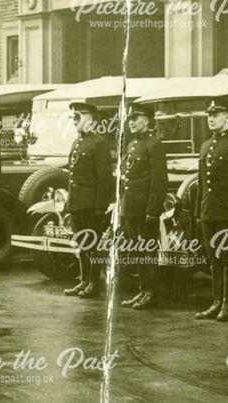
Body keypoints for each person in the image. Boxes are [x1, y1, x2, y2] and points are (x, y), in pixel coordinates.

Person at [193, 98, 228, 322]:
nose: (211, 118)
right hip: (209, 213)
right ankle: (216, 302)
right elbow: (201, 182)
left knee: (227, 259)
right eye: (209, 114)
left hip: (227, 214)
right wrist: (199, 212)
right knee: (213, 258)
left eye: (216, 114)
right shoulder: (206, 146)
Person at [118, 103, 167, 310]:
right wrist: (122, 208)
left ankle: (151, 293)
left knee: (147, 252)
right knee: (137, 252)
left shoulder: (154, 144)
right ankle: (142, 290)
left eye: (135, 119)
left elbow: (158, 182)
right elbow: (127, 180)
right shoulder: (132, 145)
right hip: (131, 209)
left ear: (147, 121)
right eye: (129, 120)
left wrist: (152, 210)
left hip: (145, 211)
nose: (131, 123)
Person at [62, 102, 113, 298]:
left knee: (93, 245)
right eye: (73, 118)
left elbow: (104, 178)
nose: (74, 122)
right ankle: (83, 280)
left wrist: (100, 206)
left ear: (90, 119)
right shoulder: (77, 143)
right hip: (77, 203)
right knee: (82, 244)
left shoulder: (98, 143)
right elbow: (72, 176)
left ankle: (93, 283)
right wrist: (69, 202)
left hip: (91, 205)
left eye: (78, 117)